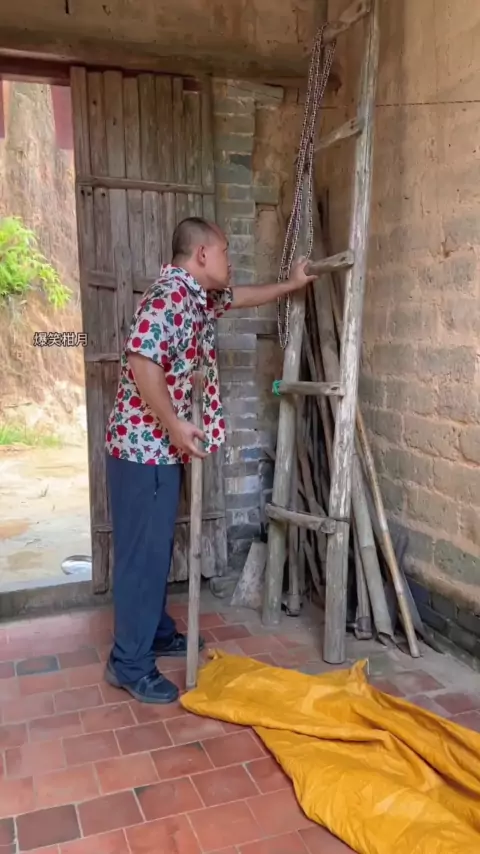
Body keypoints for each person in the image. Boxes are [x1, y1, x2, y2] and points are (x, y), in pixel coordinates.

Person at [104, 216, 316, 704]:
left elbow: (240, 297)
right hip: (142, 451)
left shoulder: (196, 299)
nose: (230, 261)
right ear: (202, 254)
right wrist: (175, 424)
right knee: (142, 557)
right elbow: (141, 361)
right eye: (224, 252)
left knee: (156, 550)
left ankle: (155, 631)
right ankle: (128, 663)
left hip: (158, 451)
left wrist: (291, 284)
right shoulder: (168, 299)